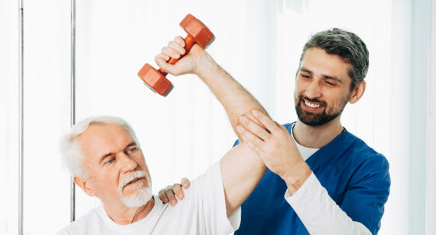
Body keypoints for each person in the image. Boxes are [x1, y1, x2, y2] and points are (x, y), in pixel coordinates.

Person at [56, 33, 300, 234]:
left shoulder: (191, 205)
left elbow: (265, 137)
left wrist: (201, 64)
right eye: (110, 160)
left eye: (131, 149)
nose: (130, 164)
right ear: (86, 185)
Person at [160, 28, 391, 235]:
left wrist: (294, 170)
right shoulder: (259, 144)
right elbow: (212, 214)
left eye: (329, 82)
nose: (311, 91)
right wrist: (180, 202)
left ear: (356, 92)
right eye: (306, 75)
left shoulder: (368, 167)